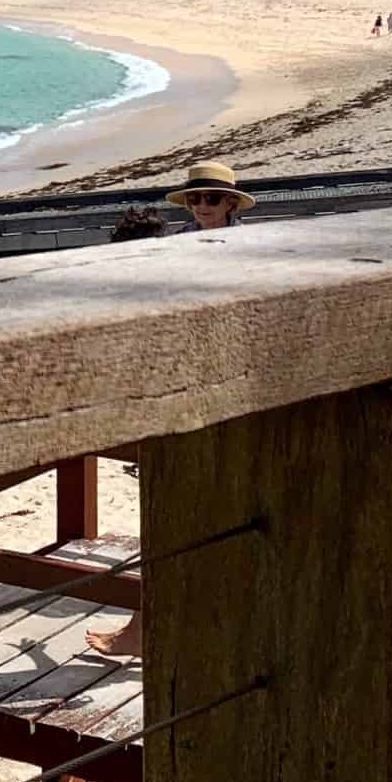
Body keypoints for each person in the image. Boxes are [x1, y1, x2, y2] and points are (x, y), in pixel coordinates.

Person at [87, 163, 253, 660]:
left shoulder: (251, 251)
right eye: (196, 197)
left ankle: (163, 628)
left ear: (229, 203)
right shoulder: (176, 245)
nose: (202, 205)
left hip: (228, 393)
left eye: (211, 197)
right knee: (167, 507)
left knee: (216, 514)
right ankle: (147, 626)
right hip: (183, 388)